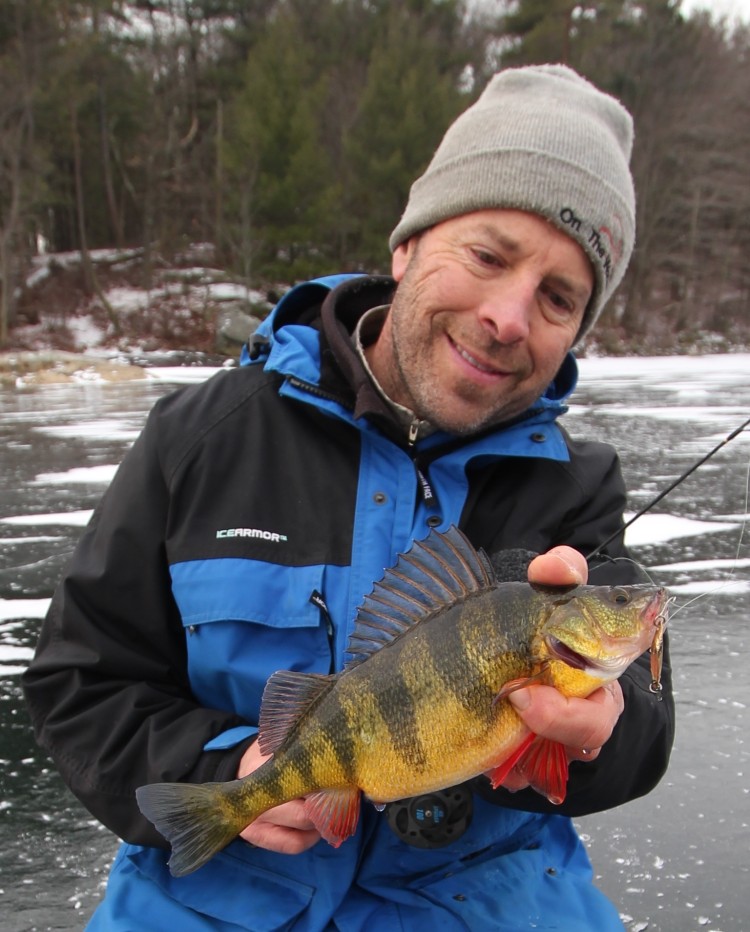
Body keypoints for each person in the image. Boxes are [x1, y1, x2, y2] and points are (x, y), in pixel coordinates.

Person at [22, 64, 674, 931]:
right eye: (487, 255)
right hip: (217, 898)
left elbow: (645, 734)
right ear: (407, 244)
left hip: (490, 902)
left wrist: (593, 731)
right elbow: (80, 680)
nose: (510, 317)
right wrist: (231, 768)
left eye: (559, 298)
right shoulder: (203, 437)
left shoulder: (577, 481)